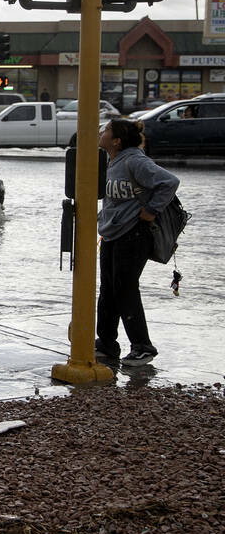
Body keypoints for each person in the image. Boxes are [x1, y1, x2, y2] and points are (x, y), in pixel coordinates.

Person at [96, 119, 180, 366]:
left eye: (107, 130)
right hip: (112, 233)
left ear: (117, 140)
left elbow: (169, 182)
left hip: (134, 233)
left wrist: (152, 209)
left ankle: (143, 347)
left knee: (125, 288)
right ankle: (106, 344)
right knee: (108, 289)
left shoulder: (135, 160)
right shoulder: (112, 161)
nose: (102, 133)